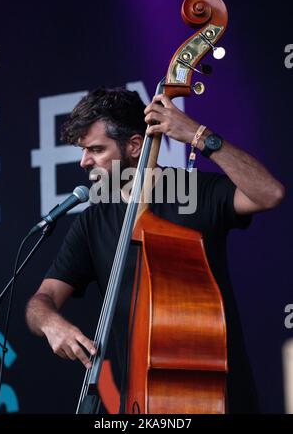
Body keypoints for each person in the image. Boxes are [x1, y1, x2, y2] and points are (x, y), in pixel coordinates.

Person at [25, 87, 285, 413]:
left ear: (134, 146)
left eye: (95, 149)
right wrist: (51, 323)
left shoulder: (193, 192)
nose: (84, 161)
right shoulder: (95, 217)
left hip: (215, 397)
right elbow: (41, 299)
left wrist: (199, 136)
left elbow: (269, 194)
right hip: (135, 403)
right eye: (83, 150)